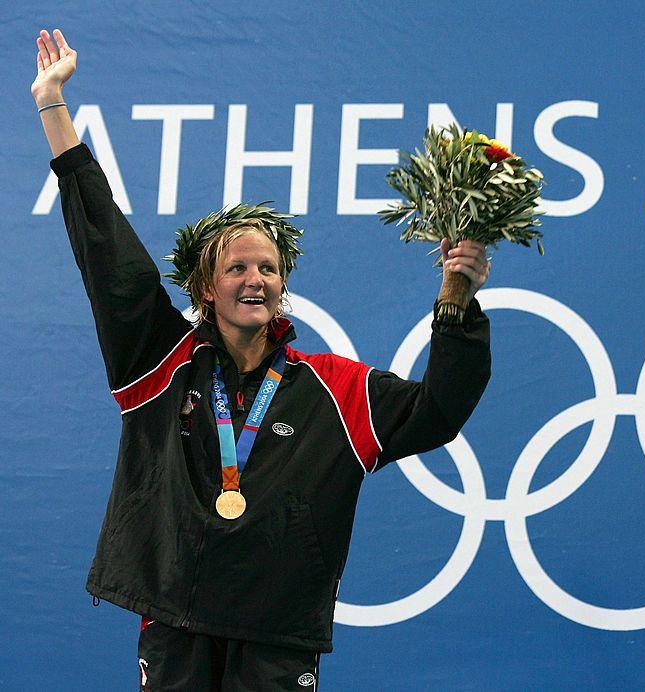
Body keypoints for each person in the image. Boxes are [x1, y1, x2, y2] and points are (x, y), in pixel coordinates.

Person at [32, 28, 491, 691]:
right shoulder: (160, 364)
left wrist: (456, 300)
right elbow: (105, 249)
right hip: (177, 623)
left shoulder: (336, 391)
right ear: (204, 287)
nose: (256, 279)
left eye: (269, 268)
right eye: (238, 267)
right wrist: (53, 108)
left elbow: (438, 410)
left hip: (278, 634)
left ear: (283, 286)